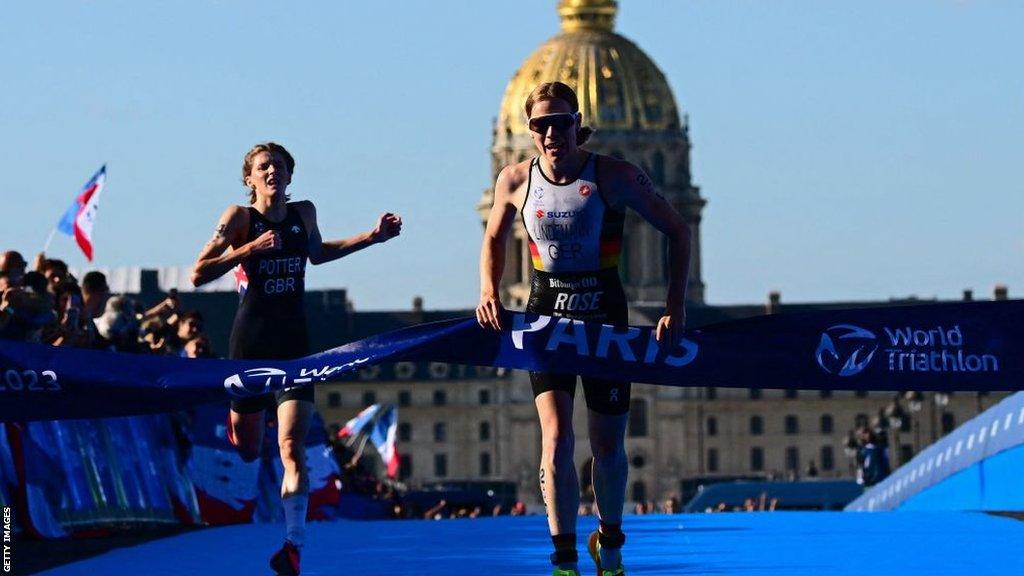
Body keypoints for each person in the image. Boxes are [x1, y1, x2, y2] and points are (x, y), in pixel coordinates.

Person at [476, 82, 691, 576]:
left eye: (561, 122)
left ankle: (610, 546)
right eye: (541, 125)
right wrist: (488, 289)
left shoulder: (614, 176)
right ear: (529, 132)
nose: (552, 133)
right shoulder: (514, 180)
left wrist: (673, 306)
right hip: (545, 315)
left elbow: (677, 229)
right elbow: (493, 238)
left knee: (607, 445)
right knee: (555, 441)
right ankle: (564, 560)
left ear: (579, 125)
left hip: (604, 317)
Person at [191, 142, 401, 576]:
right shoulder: (239, 218)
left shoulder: (304, 213)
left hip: (293, 345)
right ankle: (250, 422)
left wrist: (372, 237)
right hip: (249, 345)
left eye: (280, 166)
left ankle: (292, 544)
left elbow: (319, 253)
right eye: (264, 167)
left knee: (291, 446)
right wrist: (247, 250)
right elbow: (199, 272)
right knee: (249, 450)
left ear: (290, 175)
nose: (273, 172)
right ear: (250, 178)